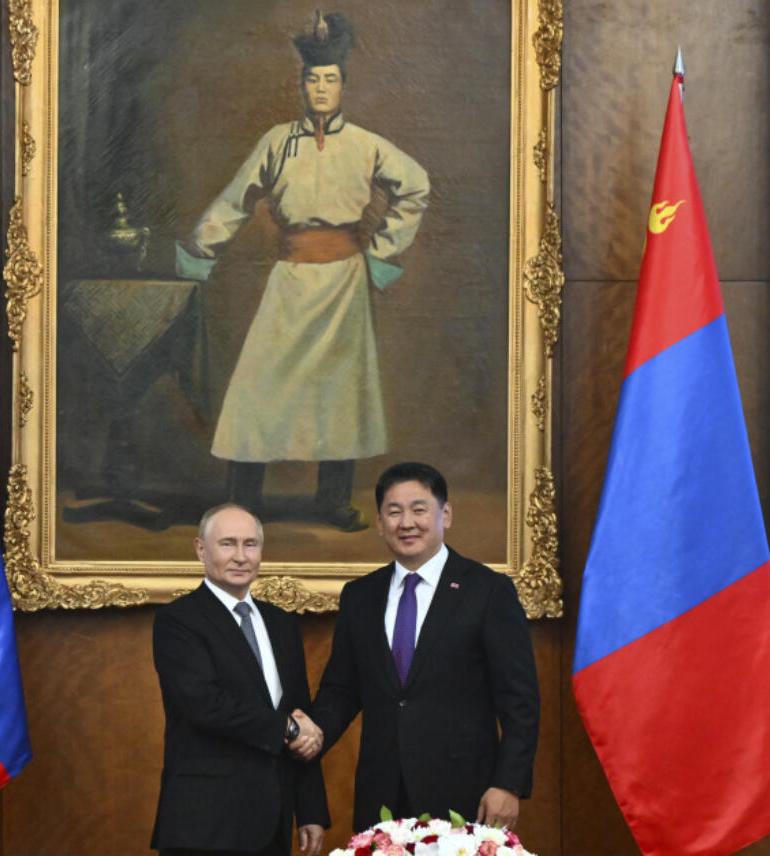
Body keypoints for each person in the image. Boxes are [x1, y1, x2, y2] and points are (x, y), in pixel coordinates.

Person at [176, 12, 430, 532]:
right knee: (259, 385)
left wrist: (382, 254)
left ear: (344, 85)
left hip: (345, 283)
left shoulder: (365, 145)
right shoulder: (277, 141)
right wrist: (200, 251)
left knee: (340, 391)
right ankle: (243, 500)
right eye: (312, 79)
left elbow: (415, 186)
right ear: (301, 85)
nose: (321, 88)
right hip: (290, 279)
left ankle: (331, 501)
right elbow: (237, 200)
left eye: (330, 79)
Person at [307, 462, 539, 831]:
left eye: (419, 509)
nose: (406, 522)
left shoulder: (487, 591)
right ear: (380, 523)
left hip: (465, 794)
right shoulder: (360, 596)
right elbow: (342, 690)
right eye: (393, 512)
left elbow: (520, 702)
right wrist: (307, 731)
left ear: (445, 514)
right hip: (380, 794)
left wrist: (507, 783)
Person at [151, 503, 330, 856]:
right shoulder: (178, 620)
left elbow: (300, 714)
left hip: (273, 822)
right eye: (227, 544)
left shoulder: (281, 623)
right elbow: (204, 704)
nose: (240, 556)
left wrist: (310, 809)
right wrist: (288, 729)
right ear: (201, 549)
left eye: (250, 545)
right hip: (205, 825)